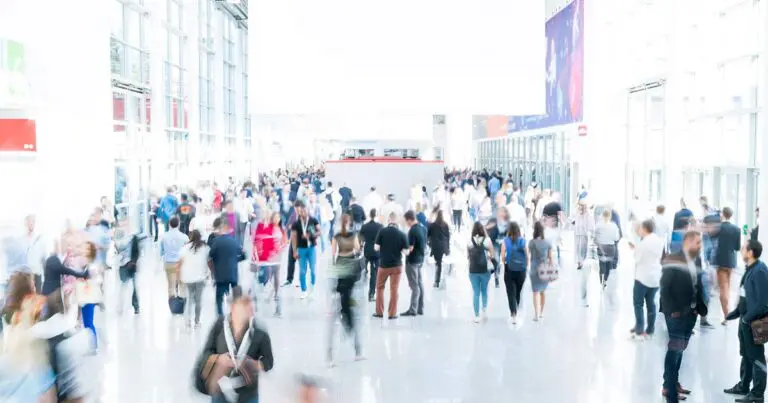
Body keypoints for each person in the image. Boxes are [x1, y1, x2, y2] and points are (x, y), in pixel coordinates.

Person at [194, 287, 274, 403]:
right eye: (242, 307)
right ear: (232, 308)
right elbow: (206, 352)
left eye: (248, 308)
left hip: (248, 392)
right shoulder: (219, 326)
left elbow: (269, 362)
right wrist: (219, 359)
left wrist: (255, 364)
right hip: (220, 390)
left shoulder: (259, 332)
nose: (247, 312)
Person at [659, 231, 708, 403]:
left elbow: (697, 284)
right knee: (675, 350)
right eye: (697, 242)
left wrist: (699, 308)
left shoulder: (697, 259)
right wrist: (672, 311)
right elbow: (665, 288)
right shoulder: (673, 259)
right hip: (676, 313)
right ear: (687, 242)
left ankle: (672, 382)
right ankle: (669, 388)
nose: (700, 245)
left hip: (691, 313)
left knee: (680, 349)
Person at [724, 239, 768, 402]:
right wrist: (735, 313)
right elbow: (746, 296)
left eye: (743, 248)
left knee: (757, 358)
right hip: (746, 320)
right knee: (746, 354)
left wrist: (747, 319)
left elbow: (764, 304)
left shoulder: (760, 271)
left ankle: (757, 394)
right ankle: (744, 386)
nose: (741, 251)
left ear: (750, 252)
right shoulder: (750, 269)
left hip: (755, 322)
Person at [327, 214, 364, 366]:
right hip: (350, 270)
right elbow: (356, 250)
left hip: (340, 269)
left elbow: (333, 254)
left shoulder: (336, 237)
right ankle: (349, 327)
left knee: (342, 300)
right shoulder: (354, 235)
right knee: (349, 304)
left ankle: (345, 315)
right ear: (349, 223)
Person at [631, 219, 665, 340]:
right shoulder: (659, 240)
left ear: (644, 229)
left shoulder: (643, 243)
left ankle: (639, 330)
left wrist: (635, 250)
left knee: (638, 304)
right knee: (651, 304)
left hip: (642, 277)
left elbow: (637, 259)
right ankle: (650, 329)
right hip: (655, 276)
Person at [373, 212, 408, 320]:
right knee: (394, 289)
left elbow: (376, 248)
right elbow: (406, 252)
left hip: (383, 265)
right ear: (396, 221)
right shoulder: (402, 234)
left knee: (379, 288)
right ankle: (392, 314)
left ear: (388, 220)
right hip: (397, 266)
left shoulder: (382, 231)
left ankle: (379, 312)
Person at [251, 212, 286, 317]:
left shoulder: (281, 229)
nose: (276, 220)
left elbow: (284, 241)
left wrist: (281, 247)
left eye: (278, 218)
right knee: (265, 279)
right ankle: (255, 298)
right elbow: (259, 241)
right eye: (274, 218)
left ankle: (278, 308)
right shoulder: (267, 228)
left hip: (277, 258)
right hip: (268, 259)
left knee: (277, 282)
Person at [209, 218, 245, 316]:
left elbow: (211, 254)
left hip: (220, 274)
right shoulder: (234, 241)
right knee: (235, 294)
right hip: (232, 272)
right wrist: (235, 260)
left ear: (220, 230)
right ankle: (235, 311)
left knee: (219, 296)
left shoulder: (216, 241)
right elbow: (243, 255)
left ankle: (220, 314)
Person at [716, 206, 742, 325]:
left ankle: (727, 316)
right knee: (728, 288)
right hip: (731, 261)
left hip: (721, 261)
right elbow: (737, 248)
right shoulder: (736, 229)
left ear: (722, 214)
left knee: (723, 289)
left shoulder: (719, 228)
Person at [291, 200, 321, 299]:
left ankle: (312, 284)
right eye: (301, 211)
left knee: (313, 269)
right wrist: (294, 251)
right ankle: (304, 290)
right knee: (302, 271)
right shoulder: (296, 223)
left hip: (311, 248)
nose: (303, 213)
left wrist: (310, 235)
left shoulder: (313, 220)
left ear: (307, 211)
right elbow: (294, 238)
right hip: (301, 249)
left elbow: (319, 232)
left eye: (305, 211)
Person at [180, 230, 210, 328]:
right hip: (200, 277)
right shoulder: (205, 248)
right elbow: (208, 261)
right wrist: (208, 273)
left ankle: (188, 321)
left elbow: (180, 262)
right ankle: (197, 322)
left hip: (188, 277)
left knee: (189, 299)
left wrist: (178, 275)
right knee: (198, 300)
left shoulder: (185, 248)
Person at [500, 221, 528, 324]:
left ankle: (513, 313)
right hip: (521, 270)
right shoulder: (523, 241)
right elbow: (527, 254)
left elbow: (502, 256)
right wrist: (526, 266)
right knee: (518, 290)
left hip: (509, 269)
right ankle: (516, 303)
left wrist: (505, 264)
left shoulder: (505, 241)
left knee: (510, 291)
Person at [467, 221, 494, 323]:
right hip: (484, 270)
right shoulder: (487, 240)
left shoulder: (469, 241)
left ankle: (476, 315)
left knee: (476, 292)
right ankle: (484, 310)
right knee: (484, 290)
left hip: (473, 270)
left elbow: (467, 256)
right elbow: (492, 255)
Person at [402, 210, 426, 317]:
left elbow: (410, 249)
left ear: (410, 220)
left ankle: (413, 310)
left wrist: (401, 249)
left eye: (407, 221)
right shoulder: (423, 228)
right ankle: (420, 308)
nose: (407, 224)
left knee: (414, 285)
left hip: (412, 261)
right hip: (420, 260)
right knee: (420, 283)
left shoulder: (412, 231)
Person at [160, 216, 189, 301]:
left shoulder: (164, 237)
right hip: (181, 263)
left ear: (169, 224)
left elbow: (161, 252)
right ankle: (182, 304)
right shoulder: (184, 237)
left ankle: (173, 306)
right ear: (179, 224)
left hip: (169, 263)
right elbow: (187, 251)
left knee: (171, 286)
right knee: (182, 284)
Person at [529, 221, 553, 321]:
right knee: (543, 292)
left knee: (535, 292)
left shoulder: (531, 242)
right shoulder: (548, 242)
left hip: (534, 269)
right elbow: (550, 258)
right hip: (544, 269)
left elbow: (530, 256)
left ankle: (536, 314)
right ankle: (542, 313)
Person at [359, 209, 383, 302]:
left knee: (363, 270)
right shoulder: (380, 226)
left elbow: (360, 239)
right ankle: (371, 294)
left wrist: (360, 247)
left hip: (367, 251)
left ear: (369, 215)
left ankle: (364, 273)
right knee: (374, 274)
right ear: (376, 215)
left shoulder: (364, 226)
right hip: (376, 253)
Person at [595, 209, 621, 288]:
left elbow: (595, 235)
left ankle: (602, 281)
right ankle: (606, 279)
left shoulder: (598, 225)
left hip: (601, 247)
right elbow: (616, 238)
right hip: (610, 248)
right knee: (608, 265)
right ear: (610, 216)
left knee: (602, 265)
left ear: (602, 215)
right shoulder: (613, 225)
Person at [427, 210, 451, 288]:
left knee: (438, 263)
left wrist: (430, 244)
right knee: (439, 262)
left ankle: (437, 281)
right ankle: (439, 279)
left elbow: (428, 235)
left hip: (435, 246)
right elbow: (448, 237)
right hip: (443, 246)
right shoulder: (445, 225)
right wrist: (447, 248)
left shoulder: (433, 225)